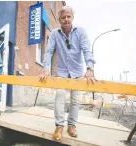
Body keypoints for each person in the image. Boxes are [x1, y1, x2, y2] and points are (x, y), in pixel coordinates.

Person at [39, 6, 96, 141]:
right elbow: (48, 52)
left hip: (77, 73)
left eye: (68, 17)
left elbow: (87, 50)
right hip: (62, 72)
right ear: (59, 19)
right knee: (59, 96)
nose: (66, 19)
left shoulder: (81, 32)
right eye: (63, 17)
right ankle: (59, 126)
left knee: (75, 100)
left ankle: (72, 125)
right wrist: (46, 70)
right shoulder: (54, 34)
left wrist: (90, 68)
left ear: (72, 18)